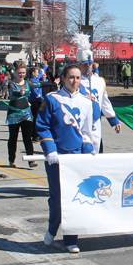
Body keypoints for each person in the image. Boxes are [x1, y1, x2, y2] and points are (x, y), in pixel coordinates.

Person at [36, 64, 95, 253]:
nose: (74, 81)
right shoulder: (52, 99)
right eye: (71, 77)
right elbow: (42, 126)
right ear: (62, 78)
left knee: (75, 198)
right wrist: (50, 150)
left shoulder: (87, 103)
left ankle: (71, 239)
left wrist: (89, 151)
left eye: (78, 78)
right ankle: (52, 228)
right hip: (57, 156)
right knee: (57, 198)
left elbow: (86, 132)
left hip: (77, 157)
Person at [75, 37, 121, 153]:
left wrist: (114, 120)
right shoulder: (75, 81)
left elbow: (104, 102)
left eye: (90, 64)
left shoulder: (100, 81)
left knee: (97, 152)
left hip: (96, 123)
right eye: (85, 64)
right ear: (79, 65)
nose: (88, 67)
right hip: (79, 123)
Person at [6, 63, 53, 168]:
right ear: (15, 73)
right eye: (19, 73)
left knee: (27, 137)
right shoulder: (11, 84)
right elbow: (14, 92)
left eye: (23, 73)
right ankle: (11, 160)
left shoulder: (28, 83)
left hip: (26, 113)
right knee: (13, 138)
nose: (21, 75)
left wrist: (53, 84)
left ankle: (31, 160)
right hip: (14, 114)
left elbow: (39, 84)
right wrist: (20, 93)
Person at [28, 67, 43, 141]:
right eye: (36, 72)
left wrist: (45, 66)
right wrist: (42, 98)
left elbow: (41, 73)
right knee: (36, 118)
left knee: (38, 118)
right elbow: (35, 93)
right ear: (33, 73)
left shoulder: (37, 79)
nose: (38, 73)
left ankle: (35, 133)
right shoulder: (32, 81)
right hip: (34, 101)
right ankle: (34, 135)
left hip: (38, 101)